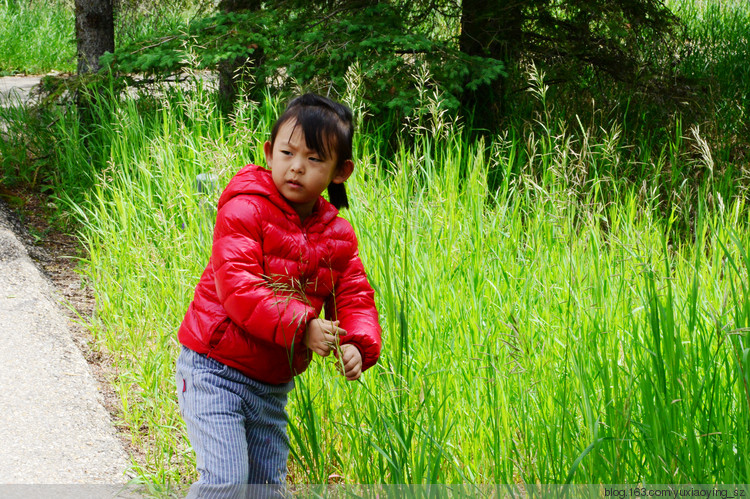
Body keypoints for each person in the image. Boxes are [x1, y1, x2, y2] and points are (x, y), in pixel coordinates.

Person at [175, 93, 382, 493]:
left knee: (266, 488)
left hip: (271, 382)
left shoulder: (337, 235)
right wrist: (303, 326)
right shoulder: (244, 208)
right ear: (270, 153)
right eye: (287, 152)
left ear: (341, 171)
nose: (297, 167)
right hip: (213, 369)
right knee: (226, 480)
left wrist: (357, 342)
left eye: (315, 159)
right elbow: (239, 287)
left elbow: (354, 295)